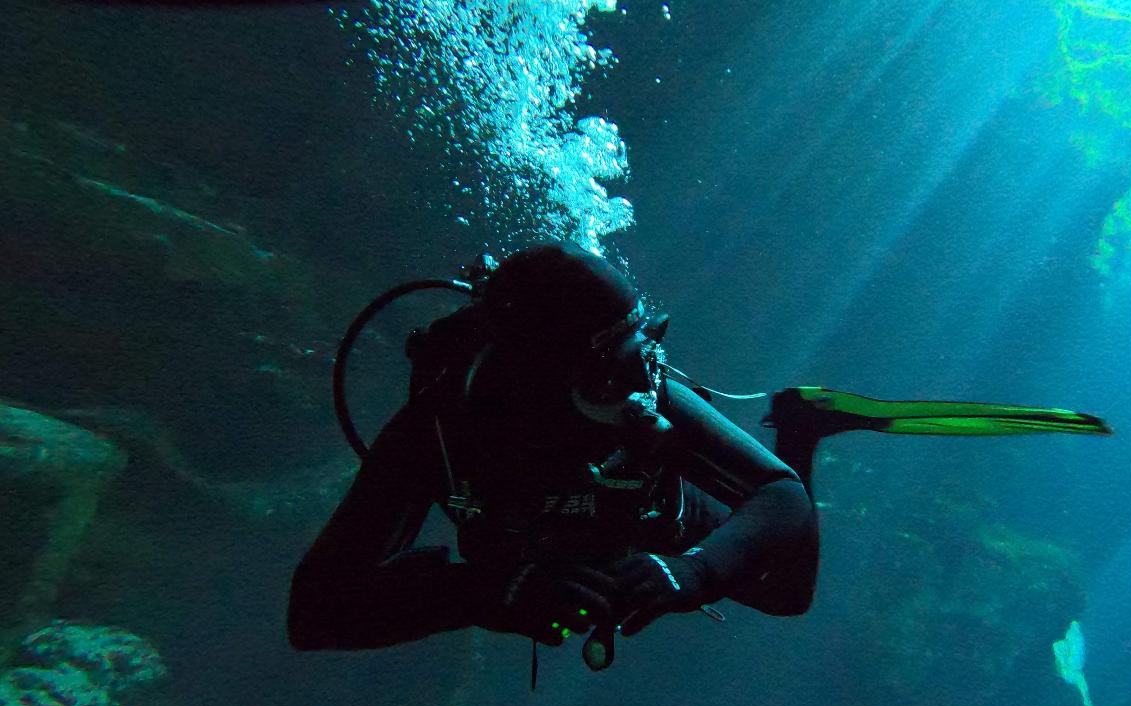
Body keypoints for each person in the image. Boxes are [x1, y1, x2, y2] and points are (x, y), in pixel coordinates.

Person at [288, 242, 821, 669]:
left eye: (646, 347)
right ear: (542, 377)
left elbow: (782, 493)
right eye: (619, 363)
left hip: (653, 517)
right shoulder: (440, 430)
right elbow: (314, 615)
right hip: (542, 548)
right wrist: (481, 594)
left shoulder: (646, 392)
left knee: (788, 595)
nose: (644, 386)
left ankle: (800, 429)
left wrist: (693, 570)